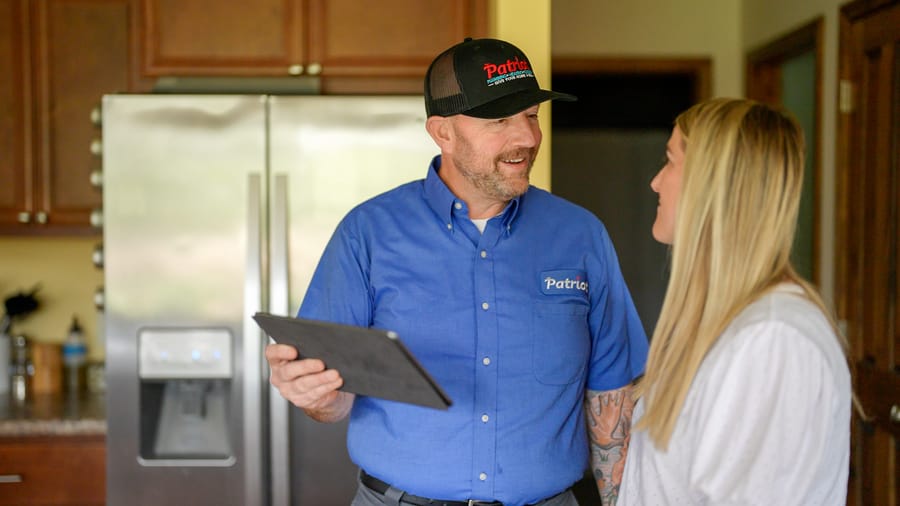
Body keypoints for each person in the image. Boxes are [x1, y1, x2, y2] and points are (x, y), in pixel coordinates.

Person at [265, 37, 648, 506]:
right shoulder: (367, 233)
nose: (526, 138)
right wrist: (315, 396)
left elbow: (612, 395)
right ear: (442, 133)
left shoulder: (582, 236)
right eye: (500, 121)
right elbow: (335, 397)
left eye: (531, 115)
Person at [617, 98, 852, 505]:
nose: (656, 182)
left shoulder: (773, 340)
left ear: (712, 182)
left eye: (670, 161)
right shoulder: (720, 325)